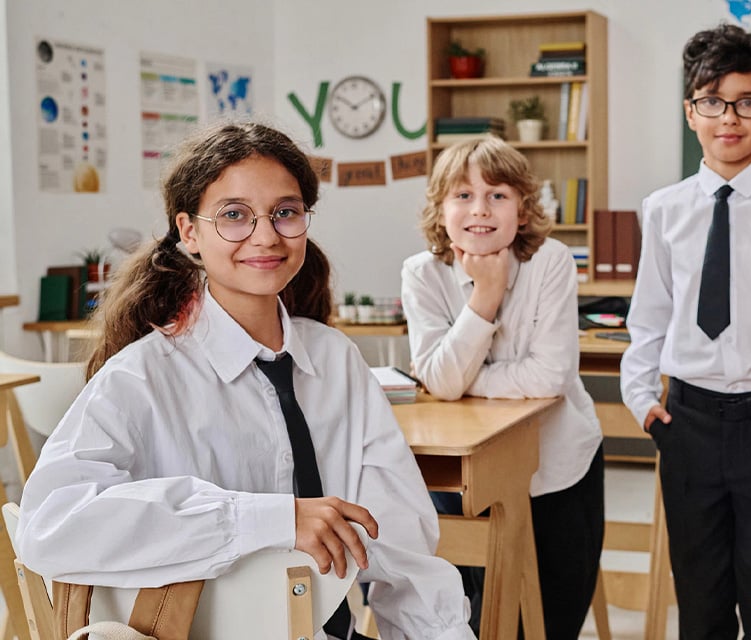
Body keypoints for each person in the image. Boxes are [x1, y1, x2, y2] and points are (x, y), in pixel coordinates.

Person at [17, 123, 475, 640]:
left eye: (286, 212)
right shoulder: (143, 375)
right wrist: (267, 520)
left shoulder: (337, 361)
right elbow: (49, 525)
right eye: (234, 215)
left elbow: (401, 549)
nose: (266, 235)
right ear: (189, 232)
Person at [619, 23, 751, 640]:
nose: (729, 118)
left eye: (747, 102)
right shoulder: (664, 208)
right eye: (712, 102)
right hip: (688, 421)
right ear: (691, 112)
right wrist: (640, 402)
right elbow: (650, 314)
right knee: (701, 597)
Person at [401, 136, 604, 639]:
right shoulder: (422, 273)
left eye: (497, 195)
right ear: (440, 207)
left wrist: (463, 381)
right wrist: (485, 299)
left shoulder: (551, 261)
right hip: (466, 471)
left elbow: (551, 377)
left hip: (556, 468)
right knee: (479, 613)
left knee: (553, 616)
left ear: (523, 207)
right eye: (462, 196)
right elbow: (442, 381)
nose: (480, 210)